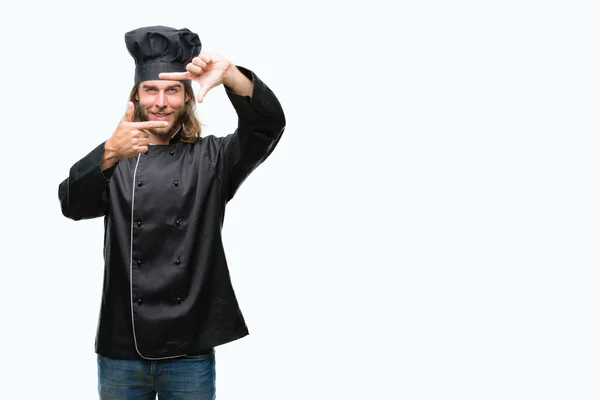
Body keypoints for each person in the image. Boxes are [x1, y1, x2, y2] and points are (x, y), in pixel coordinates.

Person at [58, 25, 286, 399]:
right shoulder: (116, 157)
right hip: (121, 351)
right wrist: (109, 152)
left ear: (186, 98)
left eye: (171, 90)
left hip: (189, 352)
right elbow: (71, 204)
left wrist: (231, 75)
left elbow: (268, 126)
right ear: (136, 96)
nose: (160, 102)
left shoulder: (213, 159)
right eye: (151, 90)